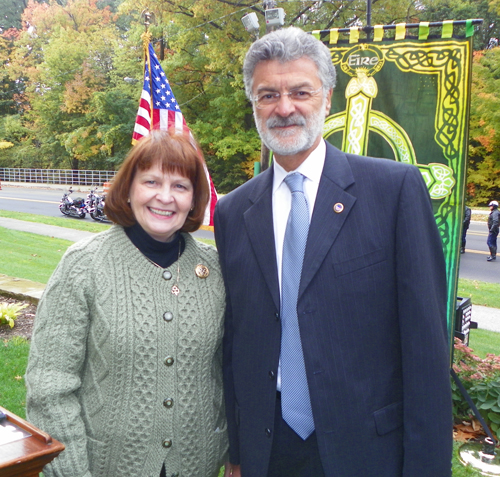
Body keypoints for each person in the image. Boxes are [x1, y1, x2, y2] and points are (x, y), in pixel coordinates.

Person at [214, 27, 452, 477]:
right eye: (268, 95)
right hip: (270, 449)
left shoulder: (394, 190)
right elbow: (236, 341)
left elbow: (426, 351)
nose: (284, 108)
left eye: (300, 91)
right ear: (254, 106)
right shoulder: (233, 211)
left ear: (326, 98)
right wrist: (239, 452)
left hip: (368, 452)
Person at [26, 130, 229, 477]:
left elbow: (230, 374)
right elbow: (49, 386)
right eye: (151, 181)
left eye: (180, 186)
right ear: (129, 189)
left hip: (199, 464)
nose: (165, 197)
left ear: (195, 198)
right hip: (106, 466)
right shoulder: (84, 265)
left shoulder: (216, 270)